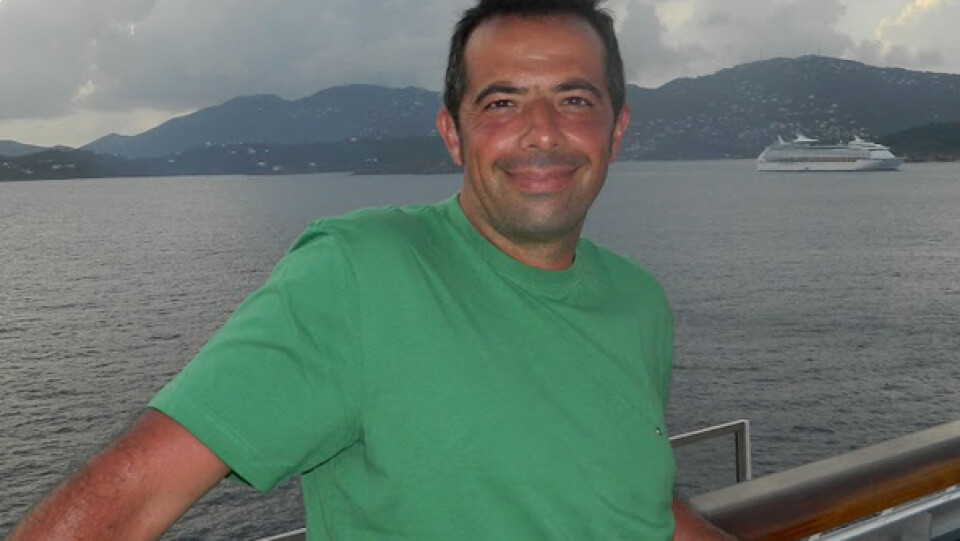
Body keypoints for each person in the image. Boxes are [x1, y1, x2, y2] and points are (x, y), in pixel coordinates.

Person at [5, 1, 736, 540]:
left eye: (574, 99)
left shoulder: (638, 301)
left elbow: (634, 503)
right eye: (502, 102)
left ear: (617, 127)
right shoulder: (361, 272)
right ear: (454, 134)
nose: (542, 132)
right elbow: (125, 498)